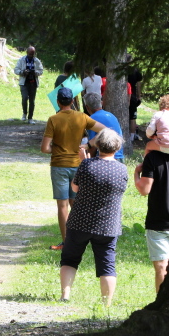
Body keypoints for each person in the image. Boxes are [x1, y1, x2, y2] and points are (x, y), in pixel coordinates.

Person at [59, 129, 127, 305]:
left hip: (80, 221)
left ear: (98, 145)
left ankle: (65, 295)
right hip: (108, 225)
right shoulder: (122, 169)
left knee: (70, 259)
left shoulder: (87, 165)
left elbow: (75, 188)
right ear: (117, 147)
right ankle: (106, 303)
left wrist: (84, 162)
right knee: (107, 265)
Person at [41, 87, 106, 251]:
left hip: (59, 166)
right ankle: (81, 240)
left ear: (58, 102)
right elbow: (105, 130)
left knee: (62, 206)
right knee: (76, 204)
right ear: (72, 101)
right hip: (78, 166)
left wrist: (57, 149)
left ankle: (66, 243)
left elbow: (45, 148)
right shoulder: (82, 117)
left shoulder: (53, 119)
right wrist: (89, 144)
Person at [134, 147, 169, 292]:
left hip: (158, 222)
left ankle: (161, 300)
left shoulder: (152, 157)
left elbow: (144, 190)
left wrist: (136, 173)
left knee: (161, 268)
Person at [84, 93, 125, 162]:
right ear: (101, 103)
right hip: (119, 156)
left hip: (105, 159)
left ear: (87, 107)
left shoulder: (92, 119)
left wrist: (89, 162)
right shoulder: (111, 115)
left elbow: (92, 146)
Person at [13, 46, 43, 124]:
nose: (31, 56)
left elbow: (41, 71)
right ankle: (24, 113)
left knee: (32, 101)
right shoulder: (22, 60)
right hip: (24, 82)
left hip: (33, 82)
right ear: (27, 53)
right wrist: (23, 72)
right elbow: (16, 70)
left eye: (32, 54)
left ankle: (30, 118)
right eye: (30, 54)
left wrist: (35, 72)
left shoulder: (37, 61)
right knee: (24, 98)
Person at [127, 57, 143, 141]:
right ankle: (132, 137)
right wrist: (139, 95)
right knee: (133, 117)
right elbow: (139, 84)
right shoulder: (135, 70)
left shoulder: (121, 70)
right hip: (132, 95)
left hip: (124, 95)